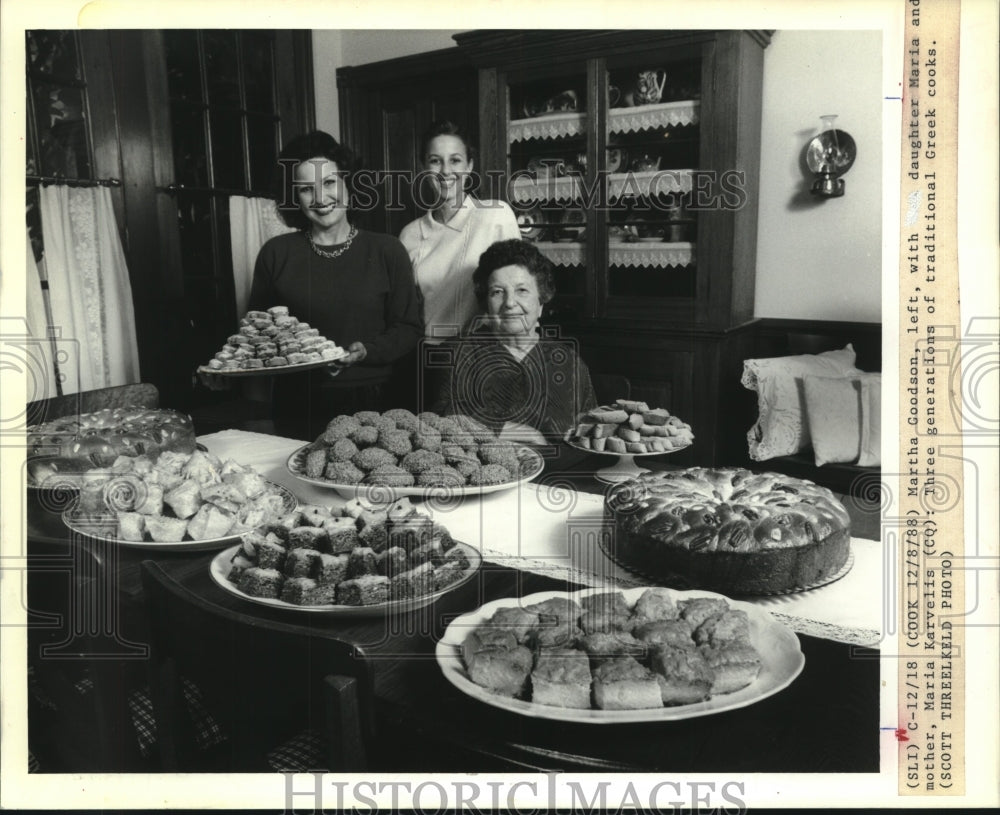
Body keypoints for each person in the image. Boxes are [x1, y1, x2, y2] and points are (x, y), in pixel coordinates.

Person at [245, 131, 422, 439]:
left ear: (348, 185)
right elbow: (257, 335)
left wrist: (366, 351)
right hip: (298, 403)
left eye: (329, 183)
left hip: (375, 402)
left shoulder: (387, 250)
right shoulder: (276, 253)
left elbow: (408, 327)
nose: (320, 198)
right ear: (294, 198)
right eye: (306, 189)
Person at [399, 121, 521, 407]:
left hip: (485, 360)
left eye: (455, 160)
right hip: (428, 363)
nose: (446, 172)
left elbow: (522, 290)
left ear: (469, 166)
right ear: (423, 168)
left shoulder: (495, 216)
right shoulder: (409, 234)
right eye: (435, 161)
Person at [432, 239, 597, 445]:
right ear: (486, 304)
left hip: (561, 472)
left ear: (541, 302)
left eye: (522, 290)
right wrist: (524, 433)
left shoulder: (569, 362)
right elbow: (441, 419)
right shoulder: (456, 353)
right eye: (497, 292)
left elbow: (591, 432)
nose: (510, 303)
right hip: (485, 472)